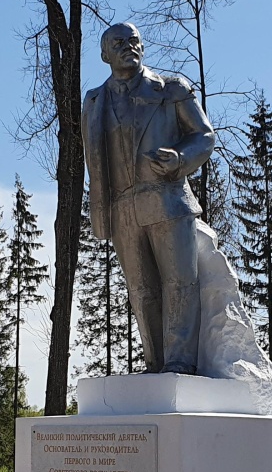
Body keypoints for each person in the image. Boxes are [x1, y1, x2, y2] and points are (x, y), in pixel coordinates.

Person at [81, 22, 216, 374]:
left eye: (134, 40)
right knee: (141, 290)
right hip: (122, 208)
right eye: (118, 43)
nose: (128, 46)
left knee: (179, 282)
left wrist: (180, 160)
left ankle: (180, 362)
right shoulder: (95, 101)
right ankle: (155, 362)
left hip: (167, 200)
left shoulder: (171, 90)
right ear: (104, 54)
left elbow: (203, 136)